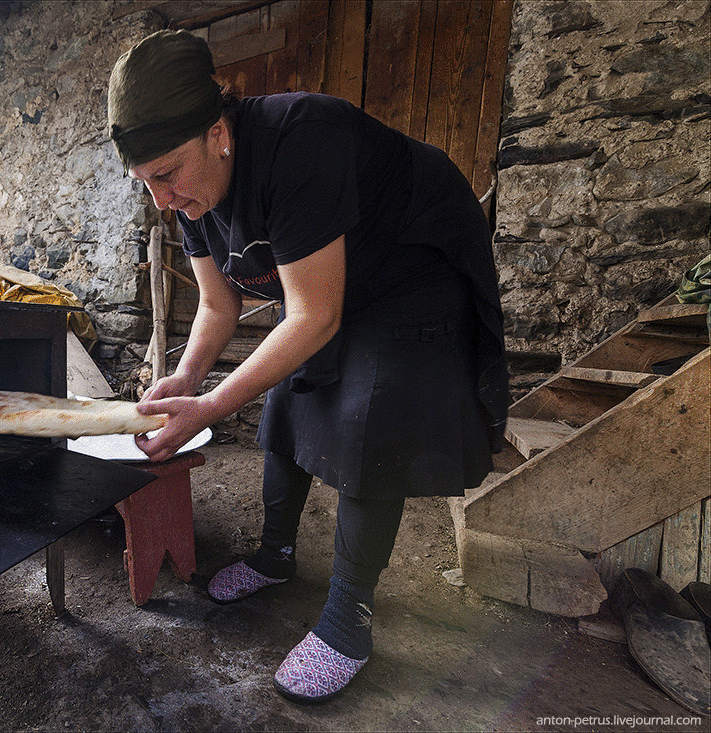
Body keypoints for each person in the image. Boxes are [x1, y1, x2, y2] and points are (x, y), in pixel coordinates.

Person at [108, 30, 508, 703]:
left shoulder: (302, 140)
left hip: (414, 262)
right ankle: (277, 555)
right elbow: (216, 304)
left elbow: (315, 314)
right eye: (144, 182)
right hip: (332, 282)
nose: (161, 199)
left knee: (369, 421)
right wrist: (188, 379)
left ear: (218, 133)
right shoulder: (187, 194)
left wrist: (211, 407)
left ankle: (348, 617)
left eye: (168, 173)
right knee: (291, 397)